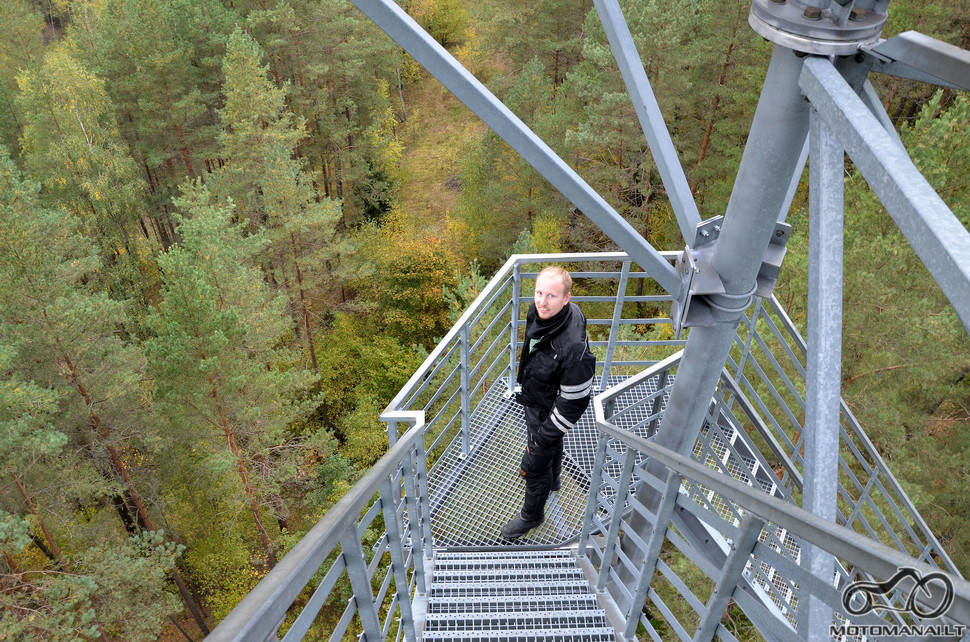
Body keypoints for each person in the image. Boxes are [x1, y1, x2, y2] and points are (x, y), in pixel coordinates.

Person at [501, 266, 596, 540]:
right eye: (539, 293)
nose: (542, 302)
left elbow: (573, 402)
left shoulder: (574, 349)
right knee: (550, 449)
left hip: (550, 410)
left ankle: (532, 516)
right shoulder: (544, 313)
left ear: (566, 298)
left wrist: (542, 440)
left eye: (551, 296)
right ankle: (554, 478)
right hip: (538, 395)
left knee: (534, 465)